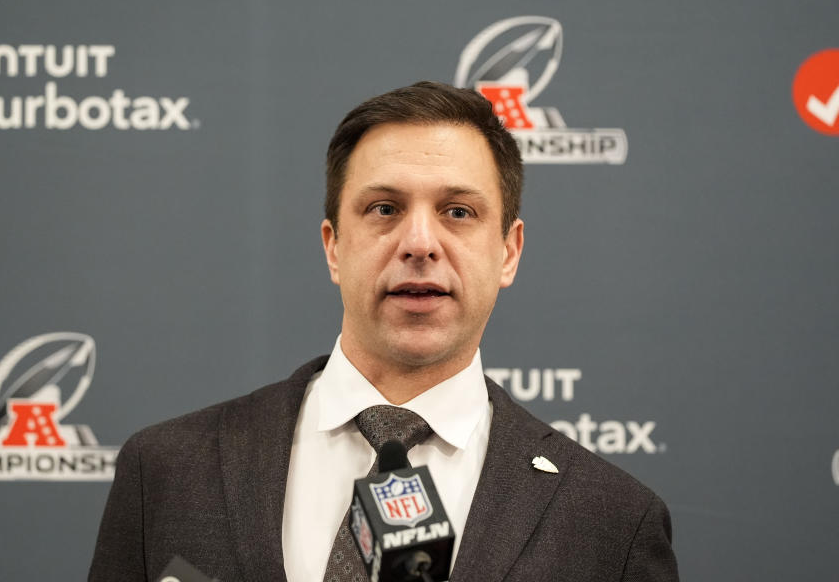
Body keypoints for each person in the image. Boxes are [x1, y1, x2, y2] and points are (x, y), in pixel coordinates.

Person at [89, 82, 680, 582]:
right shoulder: (165, 471)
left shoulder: (612, 524)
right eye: (384, 209)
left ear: (508, 252)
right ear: (334, 248)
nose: (419, 244)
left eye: (458, 212)